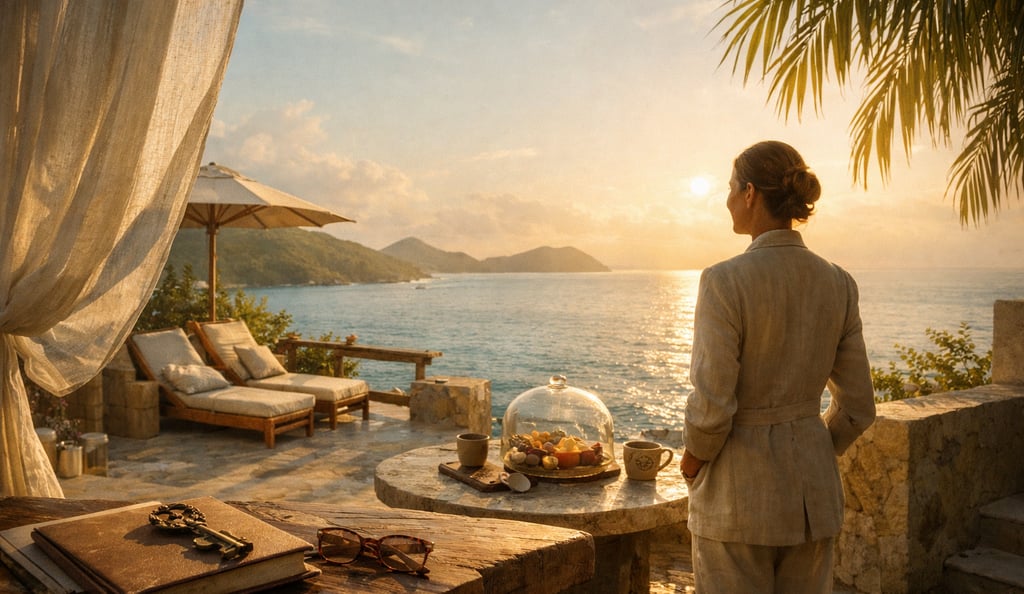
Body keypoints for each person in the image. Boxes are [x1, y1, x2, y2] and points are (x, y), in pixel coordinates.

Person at [681, 140, 876, 593]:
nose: (727, 199)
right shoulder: (839, 282)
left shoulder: (724, 280)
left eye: (731, 188)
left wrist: (692, 463)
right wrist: (812, 443)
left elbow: (712, 407)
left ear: (750, 193)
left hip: (737, 499)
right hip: (814, 498)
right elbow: (858, 408)